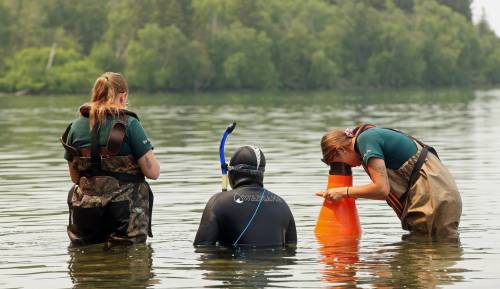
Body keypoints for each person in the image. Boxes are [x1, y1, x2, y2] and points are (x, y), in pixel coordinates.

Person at [60, 72, 160, 246]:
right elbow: (153, 172)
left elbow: (75, 178)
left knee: (87, 267)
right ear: (123, 96)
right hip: (125, 214)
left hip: (86, 212)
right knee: (129, 265)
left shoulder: (75, 127)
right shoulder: (130, 124)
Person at [316, 124, 462, 238]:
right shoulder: (368, 137)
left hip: (434, 196)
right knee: (434, 252)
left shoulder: (365, 140)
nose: (349, 167)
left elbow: (381, 190)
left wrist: (344, 191)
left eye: (340, 163)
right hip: (438, 192)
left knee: (429, 256)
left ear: (340, 149)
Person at [194, 146, 297, 248]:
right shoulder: (282, 205)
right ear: (262, 174)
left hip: (233, 263)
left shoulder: (219, 202)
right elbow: (292, 249)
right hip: (271, 263)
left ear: (231, 173)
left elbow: (201, 248)